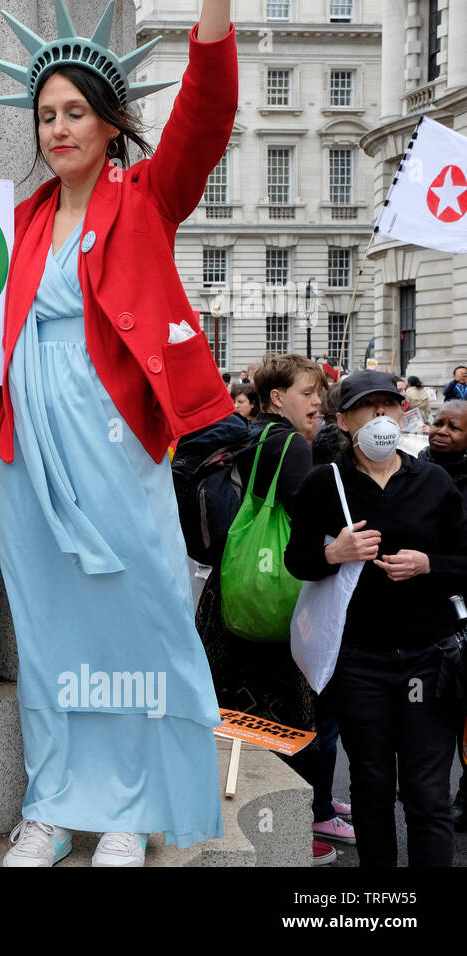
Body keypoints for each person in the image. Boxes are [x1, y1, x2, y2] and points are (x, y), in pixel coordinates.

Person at [0, 0, 233, 866]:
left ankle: (132, 807)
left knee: (135, 626)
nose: (59, 127)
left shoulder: (148, 196)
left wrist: (215, 13)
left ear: (111, 124)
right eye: (47, 114)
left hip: (112, 436)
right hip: (24, 446)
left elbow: (207, 111)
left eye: (76, 111)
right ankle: (54, 802)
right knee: (47, 632)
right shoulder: (19, 221)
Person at [286, 370, 467, 867]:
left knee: (429, 793)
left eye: (390, 404)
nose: (382, 416)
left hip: (426, 661)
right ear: (344, 420)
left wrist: (428, 564)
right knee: (371, 787)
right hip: (359, 662)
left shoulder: (433, 481)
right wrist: (334, 553)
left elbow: (464, 560)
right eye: (369, 406)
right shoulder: (325, 484)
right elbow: (296, 560)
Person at [195, 353, 351, 863]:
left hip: (235, 589)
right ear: (278, 397)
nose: (318, 403)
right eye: (308, 393)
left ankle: (251, 817)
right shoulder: (291, 447)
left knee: (240, 718)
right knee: (289, 720)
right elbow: (309, 521)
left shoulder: (254, 433)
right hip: (272, 598)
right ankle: (292, 827)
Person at [419, 399, 467, 828]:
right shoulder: (415, 469)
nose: (442, 430)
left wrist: (432, 564)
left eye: (454, 426)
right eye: (438, 422)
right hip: (425, 612)